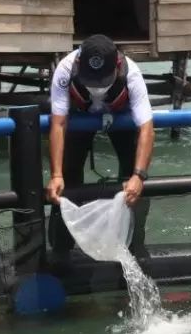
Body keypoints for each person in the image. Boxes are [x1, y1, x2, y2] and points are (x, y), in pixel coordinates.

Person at [44, 34, 155, 265]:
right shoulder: (65, 70)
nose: (96, 86)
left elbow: (146, 128)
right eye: (90, 80)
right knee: (68, 176)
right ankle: (61, 250)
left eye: (102, 80)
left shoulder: (131, 73)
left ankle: (134, 246)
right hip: (79, 117)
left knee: (133, 180)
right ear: (78, 65)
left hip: (121, 117)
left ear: (116, 67)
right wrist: (56, 175)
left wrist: (139, 176)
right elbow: (58, 123)